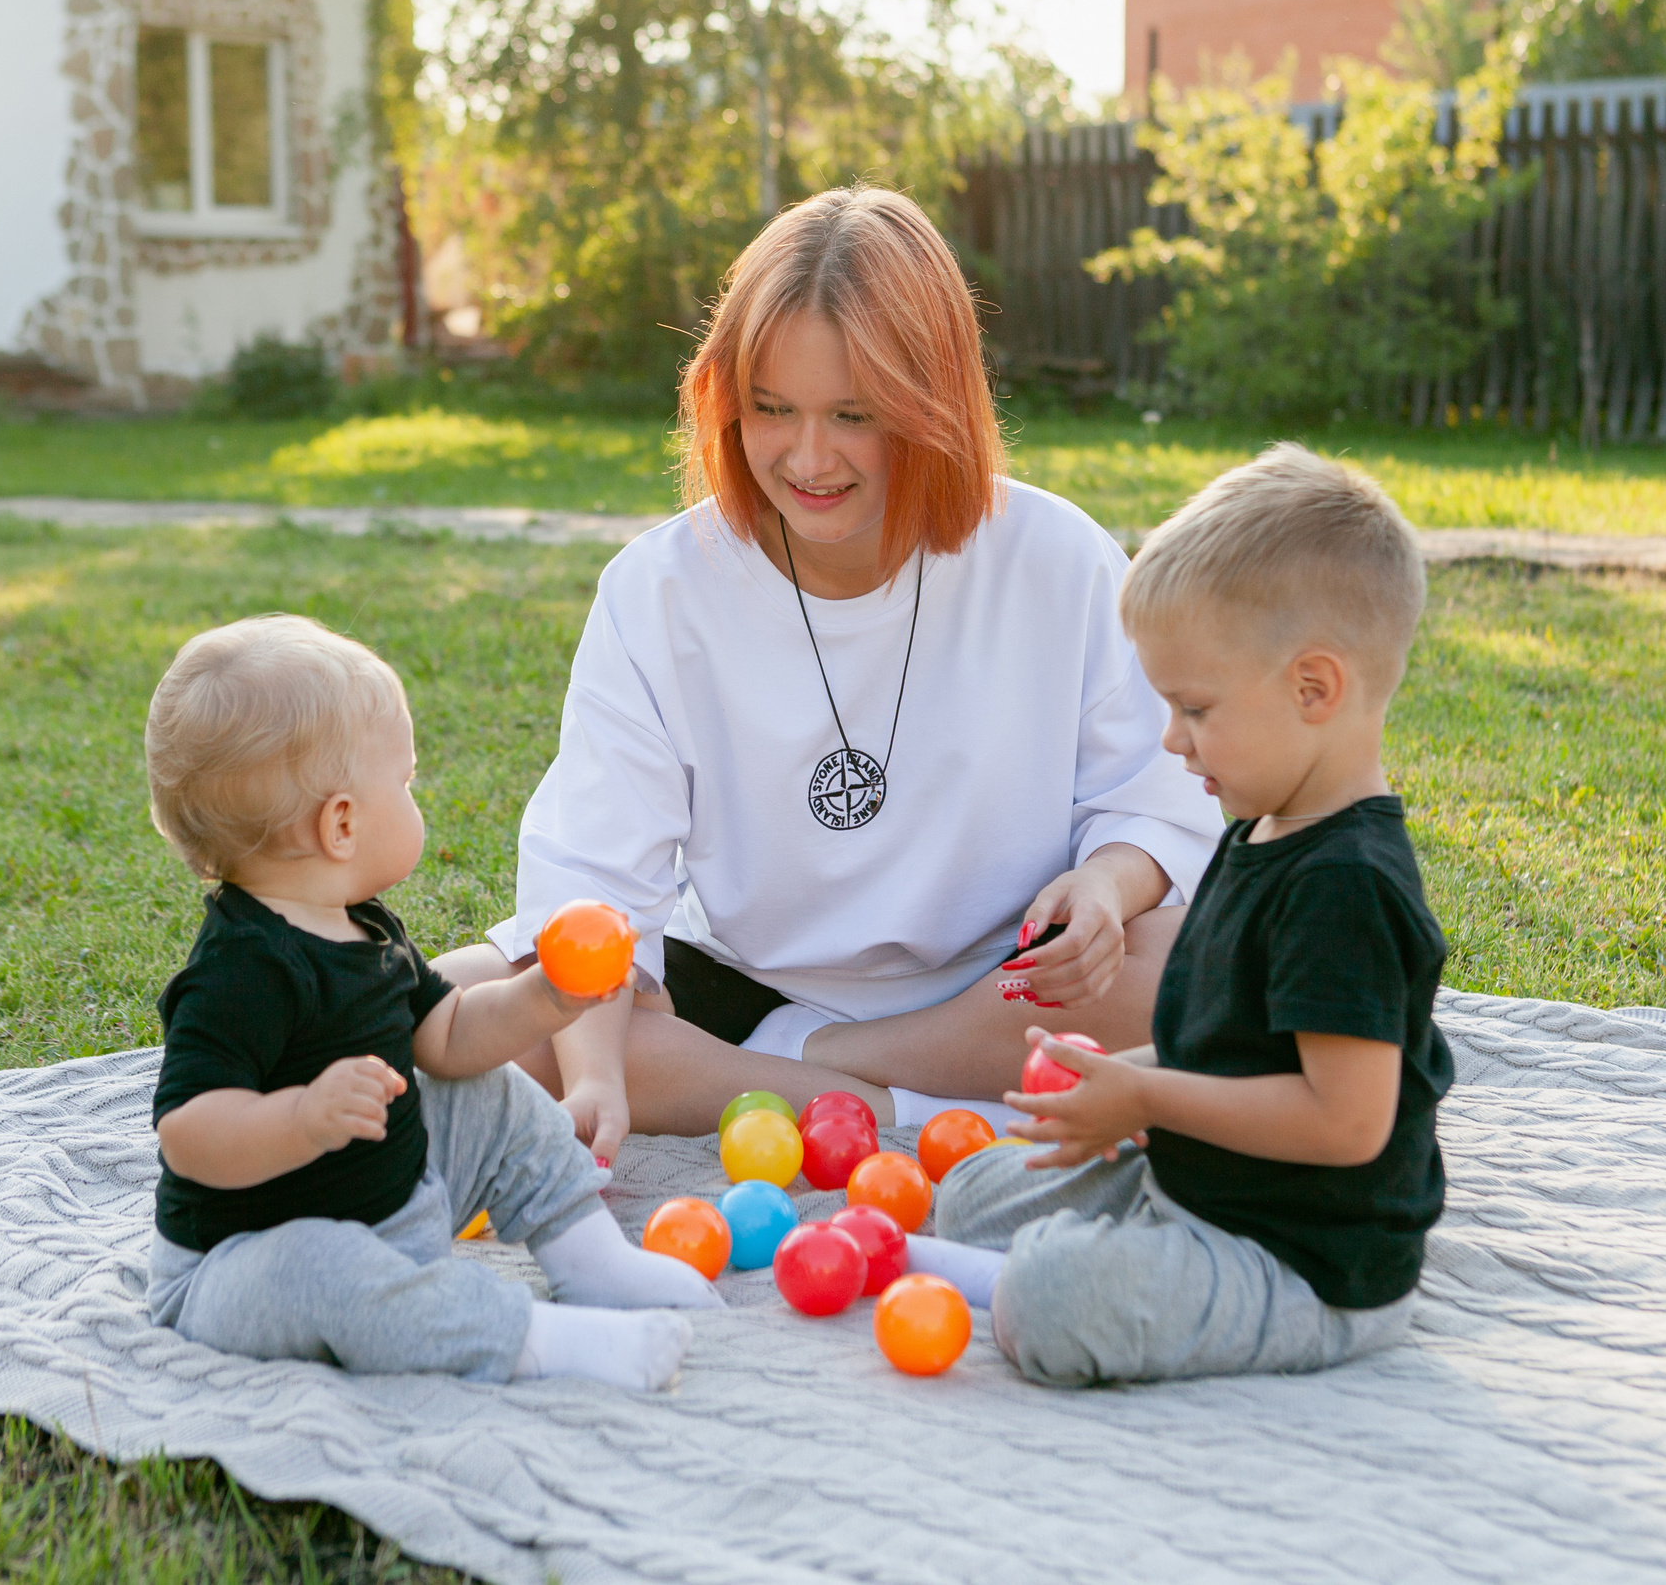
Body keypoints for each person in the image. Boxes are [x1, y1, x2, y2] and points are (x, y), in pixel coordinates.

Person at [433, 188, 1223, 1156]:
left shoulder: (1058, 558)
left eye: (853, 415)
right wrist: (597, 1069)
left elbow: (1155, 800)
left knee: (1197, 964)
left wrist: (1104, 888)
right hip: (744, 976)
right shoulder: (660, 590)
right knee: (428, 1020)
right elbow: (594, 880)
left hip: (1002, 982)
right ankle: (897, 1107)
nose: (809, 459)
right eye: (772, 410)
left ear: (932, 404)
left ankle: (813, 1063)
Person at [922, 445, 1455, 1387]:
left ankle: (1066, 1279)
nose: (1171, 739)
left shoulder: (1349, 885)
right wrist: (1111, 1081)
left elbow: (1346, 1125)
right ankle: (1090, 1254)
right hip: (1196, 1176)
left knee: (1050, 1296)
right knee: (971, 1195)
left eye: (1194, 708)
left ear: (1314, 688)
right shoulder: (1260, 825)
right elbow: (1237, 1046)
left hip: (1302, 1259)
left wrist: (1147, 1098)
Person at [138, 615, 721, 1393]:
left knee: (494, 1091)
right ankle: (533, 1340)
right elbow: (188, 1134)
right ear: (341, 823)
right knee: (328, 1271)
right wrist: (302, 1118)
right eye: (405, 783)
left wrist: (546, 996)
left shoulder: (364, 925)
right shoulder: (239, 971)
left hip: (392, 1202)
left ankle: (592, 1259)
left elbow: (448, 1036)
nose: (416, 797)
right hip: (245, 1263)